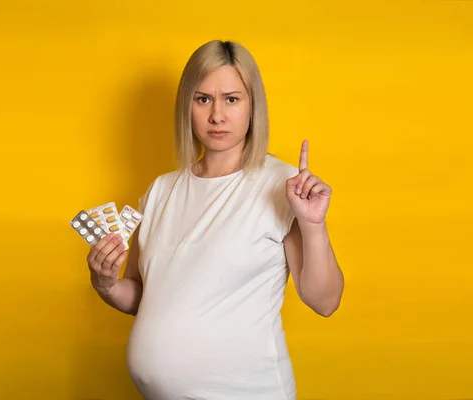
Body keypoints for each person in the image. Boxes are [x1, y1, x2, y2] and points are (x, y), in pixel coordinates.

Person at [85, 40, 345, 400]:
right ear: (186, 106)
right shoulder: (161, 191)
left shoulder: (281, 186)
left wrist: (314, 225)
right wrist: (106, 283)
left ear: (253, 106)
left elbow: (325, 301)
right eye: (203, 98)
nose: (217, 115)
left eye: (232, 99)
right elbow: (144, 296)